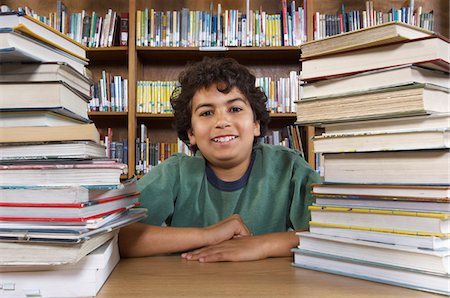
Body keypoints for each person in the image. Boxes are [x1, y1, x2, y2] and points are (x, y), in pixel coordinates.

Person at [119, 57, 321, 262]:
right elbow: (115, 235)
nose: (222, 121)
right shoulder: (176, 172)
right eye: (207, 113)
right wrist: (208, 236)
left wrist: (262, 245)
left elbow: (338, 235)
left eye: (235, 109)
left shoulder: (289, 168)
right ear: (192, 133)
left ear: (255, 124)